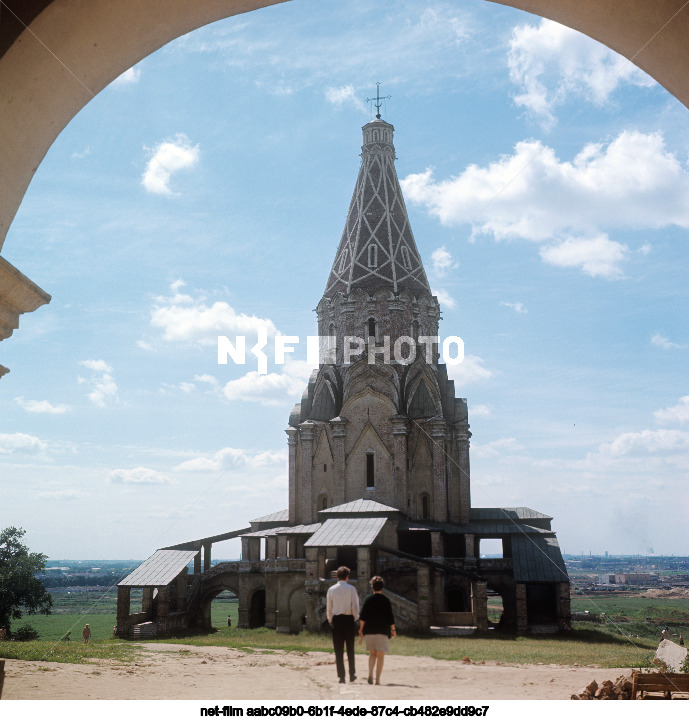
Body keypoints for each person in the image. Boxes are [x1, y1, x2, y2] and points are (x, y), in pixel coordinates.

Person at [358, 576, 396, 686]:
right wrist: (393, 630)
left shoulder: (368, 599)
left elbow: (363, 617)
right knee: (380, 657)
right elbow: (390, 617)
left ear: (372, 587)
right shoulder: (386, 600)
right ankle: (377, 680)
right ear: (382, 587)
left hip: (369, 631)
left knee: (372, 655)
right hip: (382, 631)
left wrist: (361, 630)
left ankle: (370, 674)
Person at [326, 566, 359, 683]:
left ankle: (341, 676)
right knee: (350, 648)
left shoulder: (331, 589)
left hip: (337, 620)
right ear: (347, 576)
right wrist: (355, 618)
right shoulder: (351, 589)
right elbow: (355, 606)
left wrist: (330, 619)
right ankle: (352, 674)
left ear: (337, 576)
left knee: (338, 649)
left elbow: (329, 607)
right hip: (348, 619)